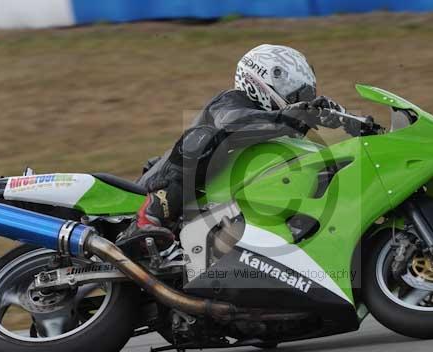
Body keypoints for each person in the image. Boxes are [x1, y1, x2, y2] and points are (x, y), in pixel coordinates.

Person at [117, 44, 380, 248]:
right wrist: (290, 116)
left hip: (218, 215)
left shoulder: (281, 130)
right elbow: (233, 122)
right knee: (203, 137)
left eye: (305, 98)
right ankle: (149, 216)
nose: (299, 102)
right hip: (166, 188)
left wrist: (357, 126)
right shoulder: (232, 102)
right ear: (265, 79)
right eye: (297, 95)